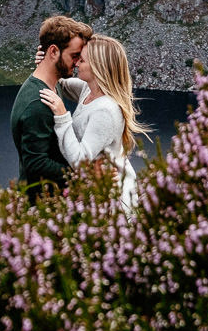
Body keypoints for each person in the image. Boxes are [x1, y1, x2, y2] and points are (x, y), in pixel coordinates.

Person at [38, 35, 150, 212]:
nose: (76, 64)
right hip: (97, 189)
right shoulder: (88, 90)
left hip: (112, 201)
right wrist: (47, 63)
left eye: (82, 60)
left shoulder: (105, 110)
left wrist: (62, 115)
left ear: (98, 68)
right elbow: (63, 85)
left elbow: (79, 160)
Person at [10, 15, 93, 201]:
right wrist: (85, 176)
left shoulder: (51, 86)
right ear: (54, 52)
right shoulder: (38, 102)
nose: (78, 62)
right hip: (41, 206)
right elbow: (36, 163)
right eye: (74, 56)